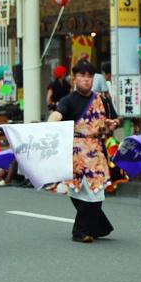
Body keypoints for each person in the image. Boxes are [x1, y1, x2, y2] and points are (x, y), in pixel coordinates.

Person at [49, 60, 119, 243]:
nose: (86, 80)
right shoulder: (68, 100)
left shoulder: (102, 99)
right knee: (79, 192)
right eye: (82, 76)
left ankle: (85, 230)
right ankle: (87, 229)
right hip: (76, 152)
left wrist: (112, 124)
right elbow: (57, 115)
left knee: (96, 192)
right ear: (74, 78)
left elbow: (114, 119)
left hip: (97, 150)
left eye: (90, 76)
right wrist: (50, 124)